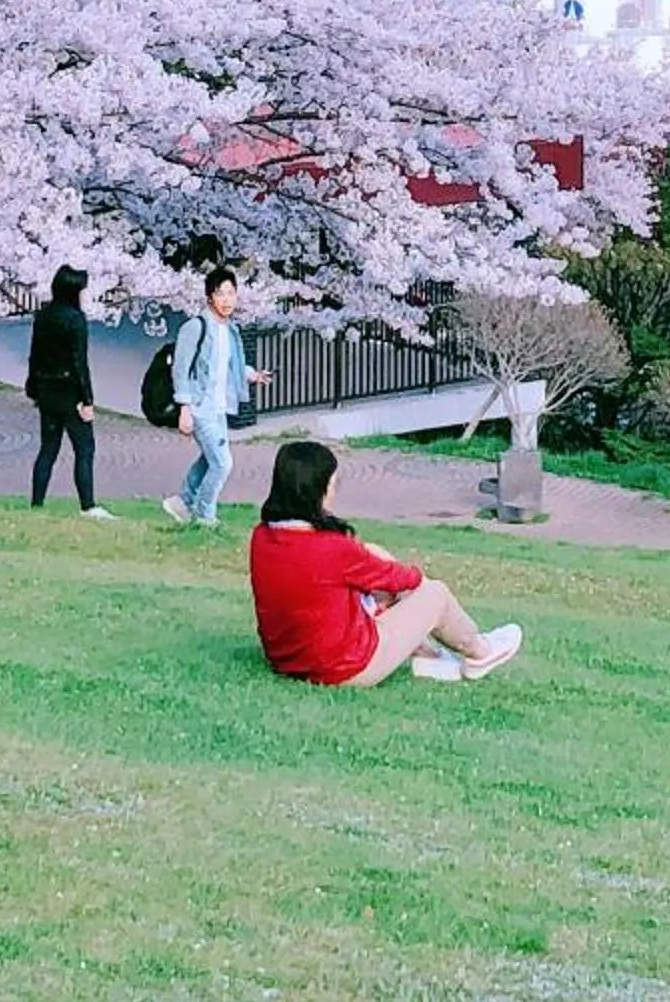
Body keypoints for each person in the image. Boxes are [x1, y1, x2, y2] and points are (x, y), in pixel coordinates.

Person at [247, 440, 520, 688]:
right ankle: (479, 652)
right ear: (318, 490)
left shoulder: (262, 537)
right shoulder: (331, 548)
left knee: (373, 555)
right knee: (435, 594)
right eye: (332, 484)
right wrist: (415, 586)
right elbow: (399, 579)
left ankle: (428, 653)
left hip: (288, 659)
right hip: (342, 666)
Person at [161, 260, 270, 528]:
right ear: (210, 297)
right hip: (200, 407)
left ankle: (182, 501)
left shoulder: (229, 330)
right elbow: (181, 369)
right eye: (221, 293)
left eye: (231, 292)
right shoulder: (196, 327)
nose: (227, 299)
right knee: (222, 464)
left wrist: (252, 375)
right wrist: (184, 409)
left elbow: (228, 364)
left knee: (210, 459)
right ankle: (205, 515)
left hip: (219, 407)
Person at [25, 264, 110, 518]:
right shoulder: (75, 320)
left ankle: (36, 504)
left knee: (48, 450)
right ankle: (88, 505)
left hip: (46, 390)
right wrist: (87, 400)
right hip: (69, 393)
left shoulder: (43, 315)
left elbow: (34, 354)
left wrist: (33, 388)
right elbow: (79, 363)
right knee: (84, 449)